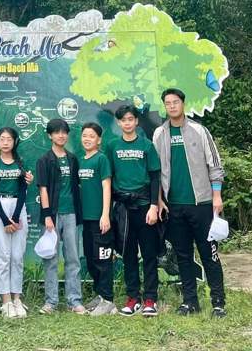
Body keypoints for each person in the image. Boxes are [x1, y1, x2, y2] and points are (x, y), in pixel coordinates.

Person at [153, 88, 227, 318]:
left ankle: (218, 303)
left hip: (202, 203)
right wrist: (159, 200)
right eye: (168, 103)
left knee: (209, 254)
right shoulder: (159, 134)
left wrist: (217, 196)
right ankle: (190, 301)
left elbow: (215, 165)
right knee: (183, 256)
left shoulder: (199, 130)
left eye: (175, 102)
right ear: (164, 107)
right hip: (174, 206)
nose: (172, 106)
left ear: (183, 104)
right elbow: (156, 172)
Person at [105, 105, 161, 317]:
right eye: (123, 120)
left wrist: (154, 206)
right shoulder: (112, 146)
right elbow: (108, 178)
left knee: (149, 254)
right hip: (123, 208)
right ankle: (133, 298)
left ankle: (150, 299)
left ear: (136, 121)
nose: (127, 123)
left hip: (145, 206)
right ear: (118, 123)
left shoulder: (147, 145)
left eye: (131, 119)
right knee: (128, 254)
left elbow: (155, 177)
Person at [36, 118, 86, 315]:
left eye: (64, 132)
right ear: (50, 135)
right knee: (51, 259)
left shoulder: (73, 159)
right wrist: (47, 215)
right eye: (56, 132)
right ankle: (51, 302)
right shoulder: (44, 160)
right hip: (52, 216)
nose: (61, 135)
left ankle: (74, 301)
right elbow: (43, 189)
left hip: (72, 214)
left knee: (73, 258)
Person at [0, 127, 29, 318]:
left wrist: (17, 216)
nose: (5, 142)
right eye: (2, 139)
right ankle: (6, 300)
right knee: (3, 257)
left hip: (18, 207)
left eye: (9, 139)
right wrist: (6, 220)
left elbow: (23, 191)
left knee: (17, 256)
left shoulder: (21, 163)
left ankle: (17, 298)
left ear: (15, 142)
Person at [78, 122, 116, 316]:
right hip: (86, 219)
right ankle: (100, 295)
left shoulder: (101, 159)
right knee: (91, 259)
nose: (87, 139)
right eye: (85, 135)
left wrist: (105, 215)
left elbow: (106, 187)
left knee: (103, 260)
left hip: (100, 220)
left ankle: (108, 300)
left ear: (99, 140)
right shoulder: (81, 160)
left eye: (91, 136)